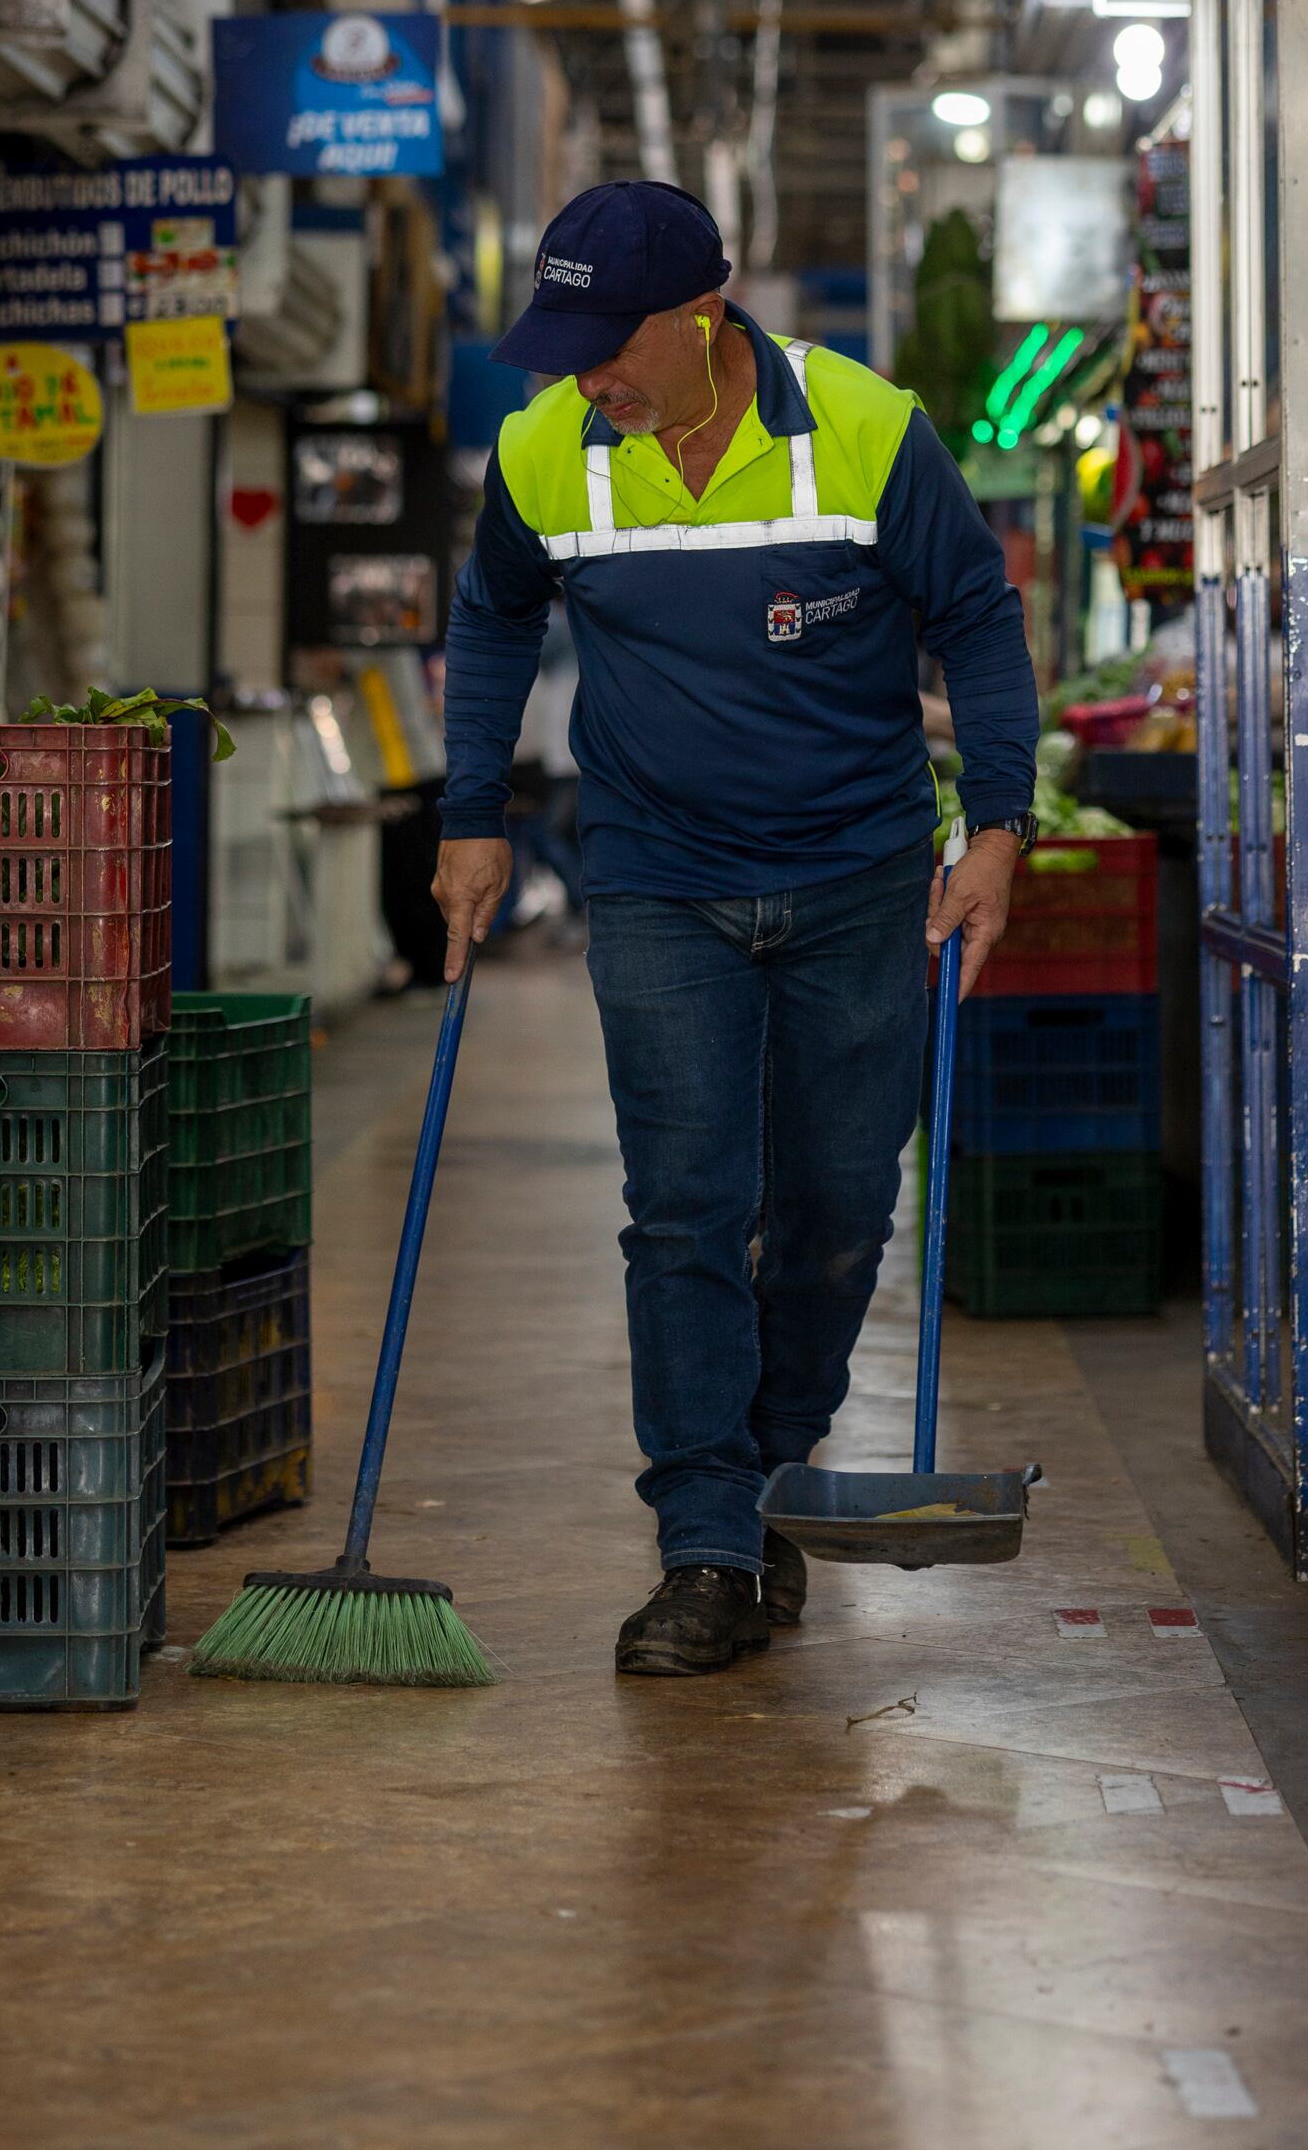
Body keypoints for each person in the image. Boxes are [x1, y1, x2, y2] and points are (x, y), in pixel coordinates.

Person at [435, 182, 1040, 1677]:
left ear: (704, 317)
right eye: (565, 345)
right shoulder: (543, 453)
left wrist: (1001, 830)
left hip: (858, 880)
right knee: (687, 1209)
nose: (588, 378)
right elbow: (496, 614)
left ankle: (771, 1471)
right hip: (657, 882)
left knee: (836, 1216)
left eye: (607, 344)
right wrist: (470, 812)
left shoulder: (866, 429)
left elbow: (974, 613)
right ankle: (705, 1541)